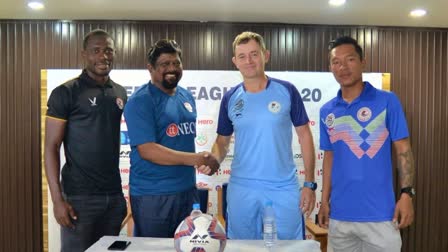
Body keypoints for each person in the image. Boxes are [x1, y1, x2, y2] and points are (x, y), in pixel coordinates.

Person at [210, 31, 316, 240]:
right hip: (242, 187)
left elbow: (305, 136)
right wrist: (213, 159)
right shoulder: (230, 97)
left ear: (265, 55)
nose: (248, 61)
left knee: (288, 247)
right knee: (242, 247)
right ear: (235, 62)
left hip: (283, 187)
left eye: (254, 54)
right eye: (242, 56)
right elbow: (222, 142)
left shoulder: (287, 91)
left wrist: (309, 184)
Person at [318, 36, 415, 252]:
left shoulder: (387, 101)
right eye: (336, 62)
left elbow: (403, 150)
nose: (342, 67)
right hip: (340, 217)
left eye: (350, 59)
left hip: (381, 216)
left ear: (363, 62)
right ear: (330, 67)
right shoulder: (327, 111)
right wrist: (324, 201)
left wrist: (407, 193)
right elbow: (329, 158)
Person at [123, 39, 219, 238]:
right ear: (150, 68)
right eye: (165, 64)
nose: (172, 69)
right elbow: (147, 150)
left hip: (187, 191)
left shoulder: (186, 96)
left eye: (176, 63)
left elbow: (182, 142)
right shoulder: (141, 101)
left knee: (188, 248)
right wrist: (196, 159)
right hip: (154, 196)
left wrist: (207, 161)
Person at [44, 29, 128, 252]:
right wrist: (57, 199)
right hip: (79, 198)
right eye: (96, 51)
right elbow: (51, 147)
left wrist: (120, 198)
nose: (104, 56)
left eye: (108, 50)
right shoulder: (65, 92)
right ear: (84, 54)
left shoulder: (119, 93)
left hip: (114, 197)